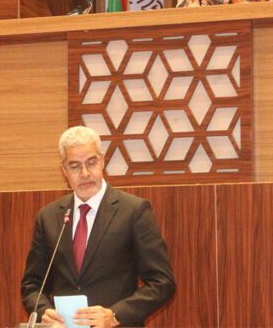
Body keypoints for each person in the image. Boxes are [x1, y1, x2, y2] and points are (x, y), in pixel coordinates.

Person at [21, 126, 175, 327]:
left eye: (91, 162)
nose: (85, 173)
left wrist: (115, 315)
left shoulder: (133, 211)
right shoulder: (49, 217)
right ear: (64, 170)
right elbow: (32, 285)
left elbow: (162, 282)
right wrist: (43, 311)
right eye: (75, 166)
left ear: (102, 161)